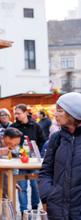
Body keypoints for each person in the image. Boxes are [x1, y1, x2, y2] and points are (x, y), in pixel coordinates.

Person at [39, 92, 81, 220]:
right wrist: (48, 196)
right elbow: (46, 171)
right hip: (57, 209)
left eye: (59, 111)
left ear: (73, 113)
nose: (54, 114)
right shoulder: (56, 137)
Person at [11, 104, 46, 213]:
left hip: (34, 162)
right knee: (22, 187)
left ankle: (35, 207)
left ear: (26, 113)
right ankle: (23, 211)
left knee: (35, 186)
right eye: (15, 113)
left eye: (19, 113)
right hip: (19, 162)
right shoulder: (13, 127)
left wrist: (37, 154)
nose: (17, 116)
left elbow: (42, 142)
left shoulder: (36, 126)